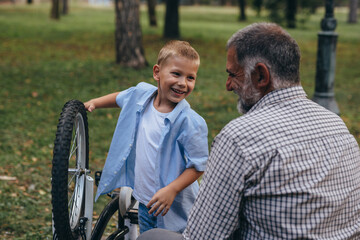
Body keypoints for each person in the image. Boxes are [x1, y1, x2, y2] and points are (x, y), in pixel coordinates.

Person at [137, 22, 360, 239]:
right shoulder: (337, 126)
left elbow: (202, 236)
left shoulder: (239, 138)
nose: (227, 85)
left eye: (233, 74)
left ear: (261, 76)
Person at [84, 40, 209, 233]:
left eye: (190, 77)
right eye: (176, 73)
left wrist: (172, 190)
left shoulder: (190, 122)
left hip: (175, 211)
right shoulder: (142, 96)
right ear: (157, 72)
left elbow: (198, 166)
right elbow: (121, 97)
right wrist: (95, 102)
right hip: (145, 202)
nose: (183, 83)